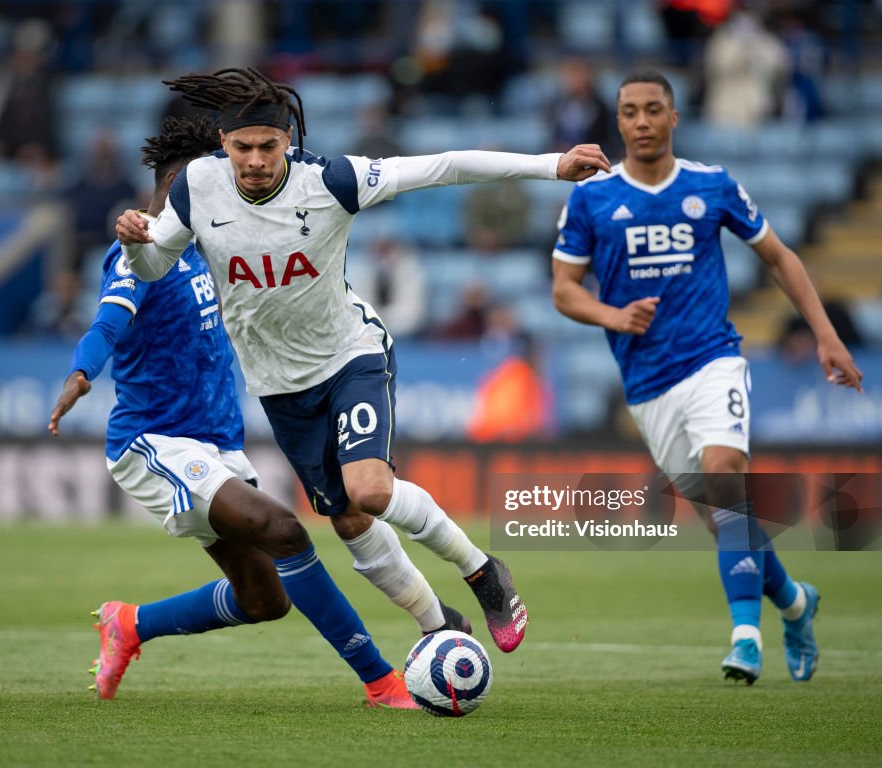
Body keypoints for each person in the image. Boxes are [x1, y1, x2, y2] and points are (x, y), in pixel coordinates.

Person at [115, 67, 611, 653]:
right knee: (350, 521)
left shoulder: (333, 181)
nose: (254, 160)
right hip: (278, 385)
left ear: (288, 144)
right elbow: (152, 269)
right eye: (242, 147)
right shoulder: (197, 186)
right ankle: (439, 626)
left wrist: (550, 165)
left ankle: (484, 572)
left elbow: (443, 166)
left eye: (268, 147)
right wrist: (134, 242)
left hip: (351, 354)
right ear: (223, 145)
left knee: (370, 492)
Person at [48, 116, 417, 709]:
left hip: (217, 444)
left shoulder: (216, 242)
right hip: (155, 443)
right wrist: (81, 373)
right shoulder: (144, 248)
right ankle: (381, 681)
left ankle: (131, 624)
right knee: (284, 530)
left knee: (263, 599)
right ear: (181, 183)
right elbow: (110, 317)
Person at [551, 69, 863, 684]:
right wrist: (614, 314)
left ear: (674, 118)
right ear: (617, 123)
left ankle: (745, 639)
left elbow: (779, 257)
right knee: (726, 516)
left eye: (653, 110)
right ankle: (797, 605)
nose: (641, 122)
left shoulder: (711, 186)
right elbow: (564, 290)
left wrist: (827, 335)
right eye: (630, 112)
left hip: (713, 358)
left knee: (725, 476)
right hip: (646, 385)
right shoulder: (591, 199)